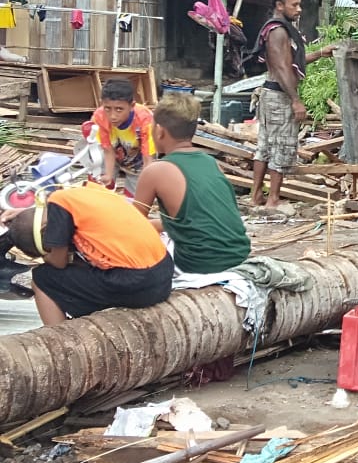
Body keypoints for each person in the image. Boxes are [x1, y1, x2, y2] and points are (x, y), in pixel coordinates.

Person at [0, 184, 173, 325]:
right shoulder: (83, 193)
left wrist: (47, 257)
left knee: (42, 277)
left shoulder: (59, 210)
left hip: (137, 283)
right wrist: (24, 216)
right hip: (164, 271)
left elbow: (58, 262)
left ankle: (60, 337)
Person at [133, 93, 252, 274]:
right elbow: (199, 219)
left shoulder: (154, 171)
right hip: (239, 256)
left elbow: (133, 226)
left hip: (197, 263)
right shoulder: (211, 163)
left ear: (159, 131)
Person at [249, 0, 335, 209]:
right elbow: (282, 68)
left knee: (265, 146)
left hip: (271, 93)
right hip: (279, 96)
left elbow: (292, 61)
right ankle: (273, 199)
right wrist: (296, 100)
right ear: (279, 5)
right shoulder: (278, 31)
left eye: (299, 4)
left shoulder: (280, 29)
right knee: (281, 147)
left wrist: (320, 53)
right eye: (294, 5)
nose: (299, 9)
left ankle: (256, 195)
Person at [90, 77, 155, 197]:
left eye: (119, 109)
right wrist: (108, 176)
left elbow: (148, 158)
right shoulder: (99, 117)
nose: (112, 116)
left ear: (132, 106)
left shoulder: (146, 120)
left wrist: (147, 184)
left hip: (138, 160)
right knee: (98, 189)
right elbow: (107, 149)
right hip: (111, 156)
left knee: (136, 200)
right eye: (107, 108)